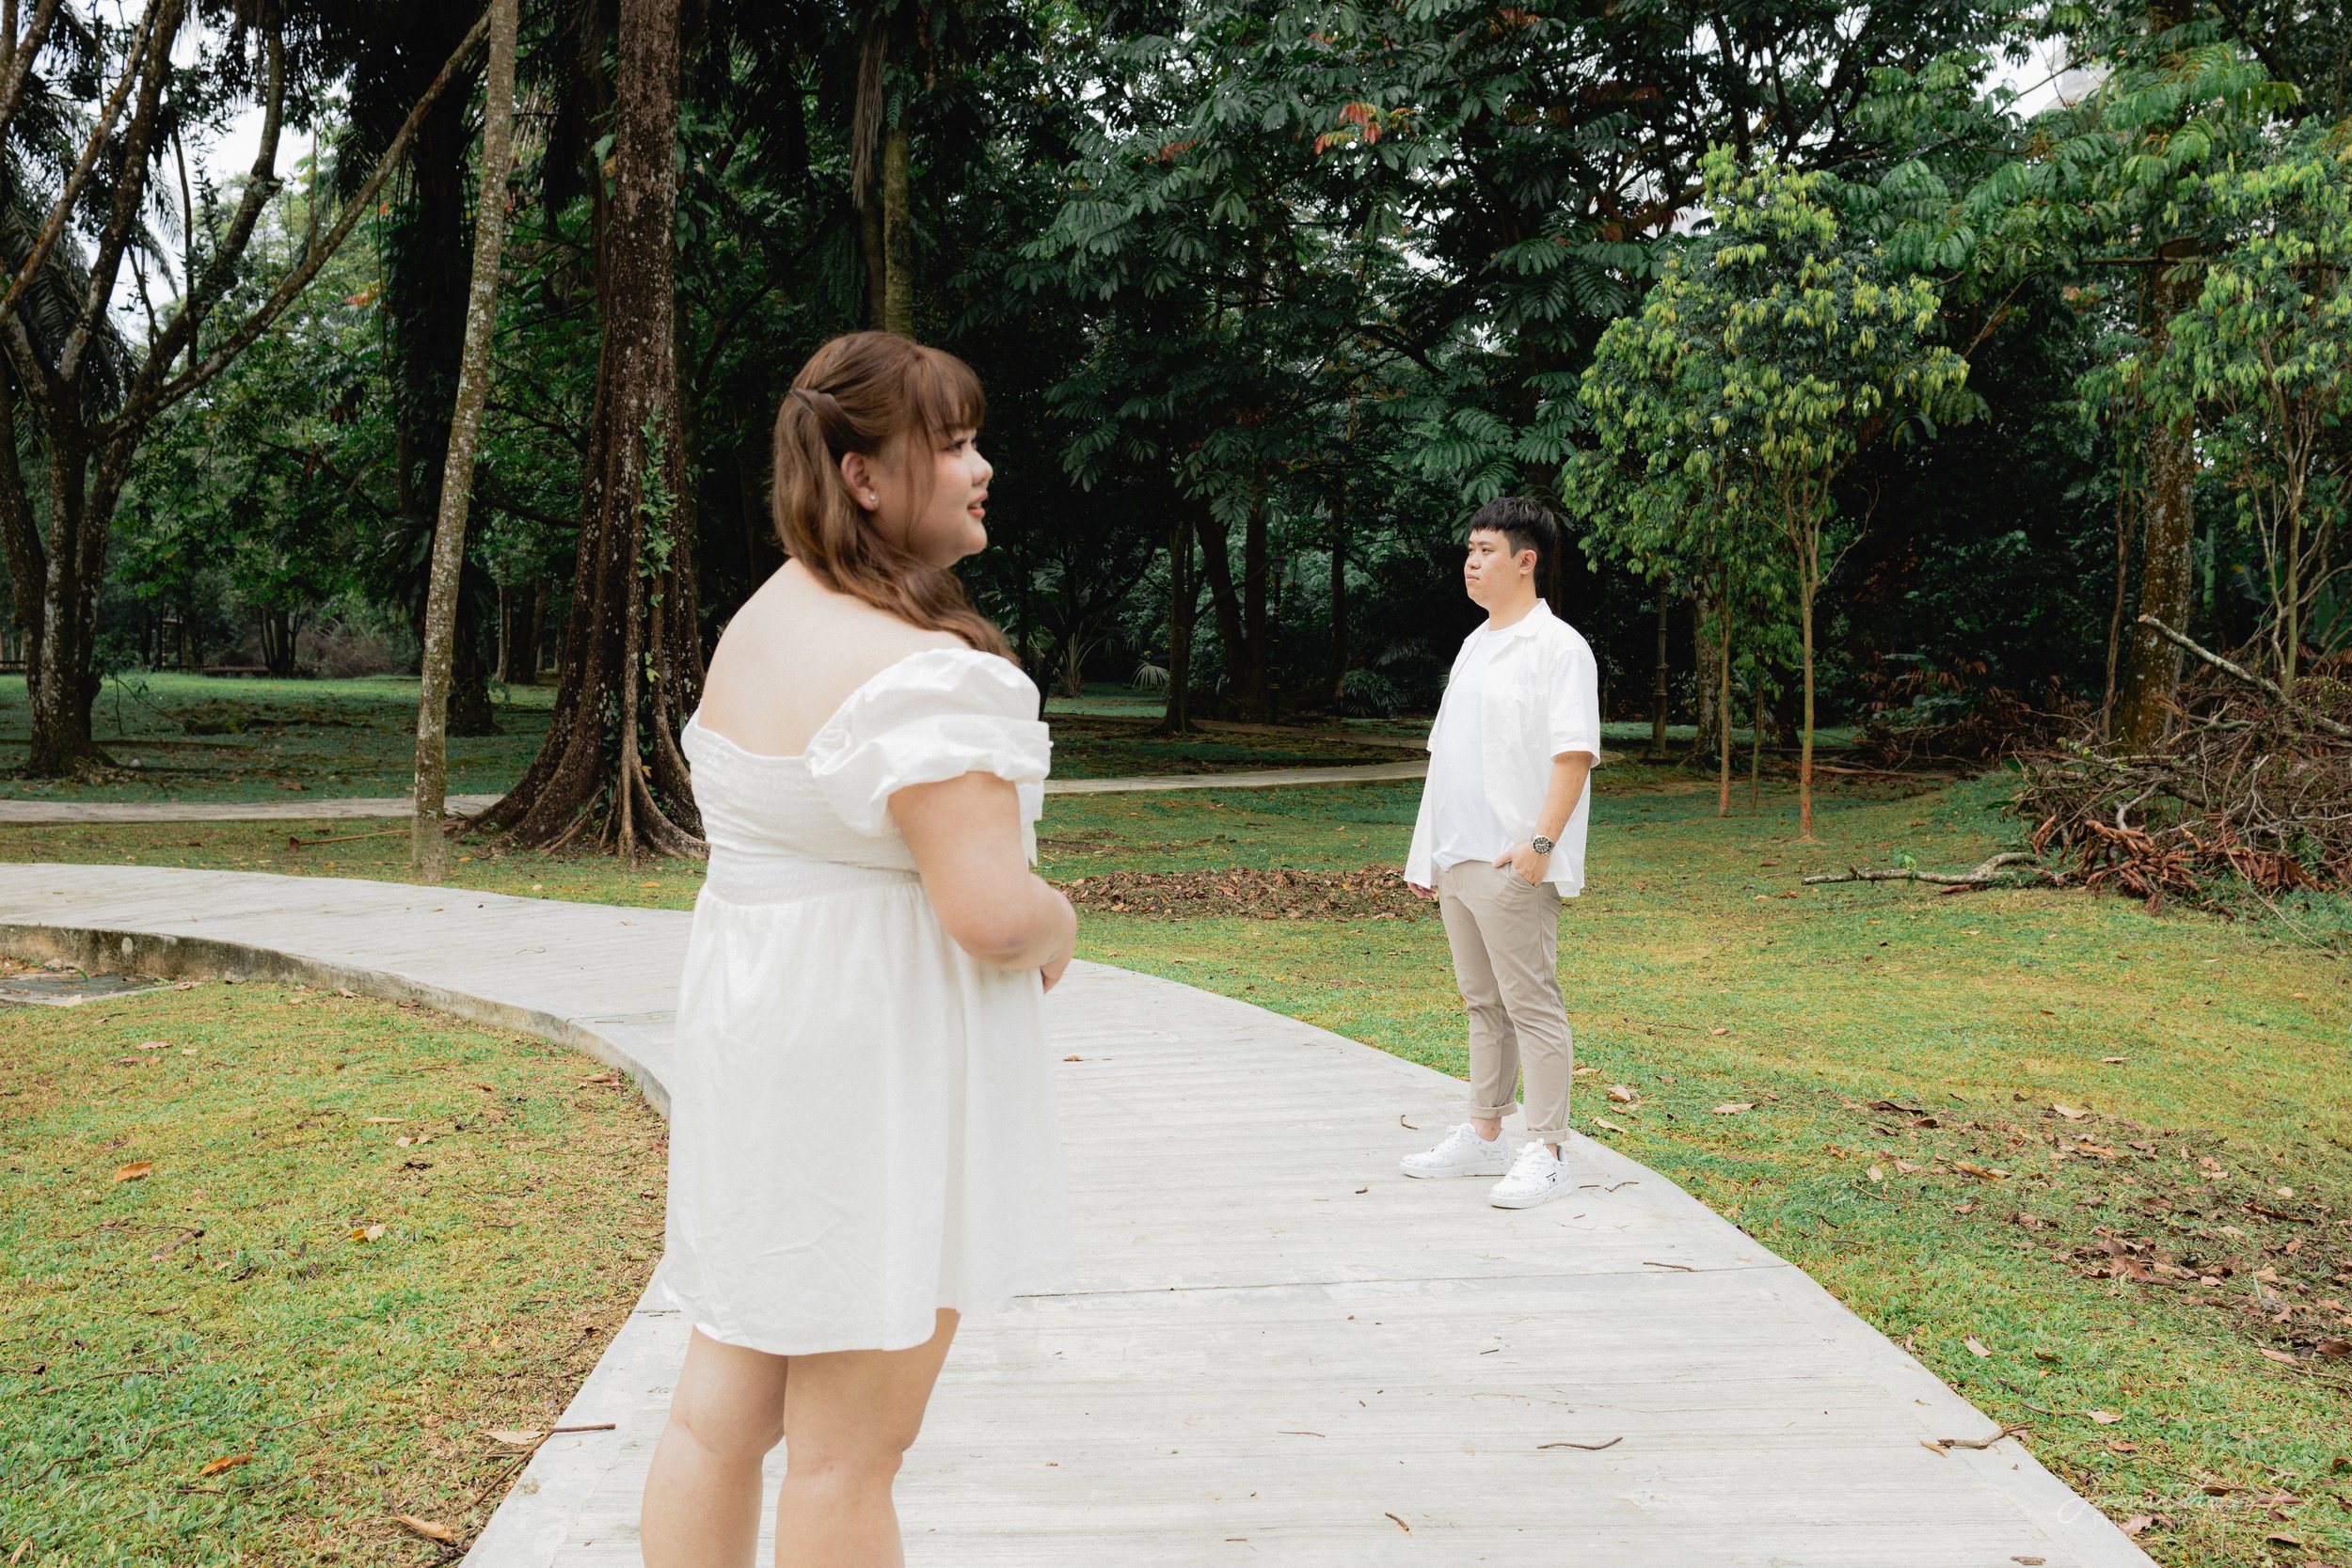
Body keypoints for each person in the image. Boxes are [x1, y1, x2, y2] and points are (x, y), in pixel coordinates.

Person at [640, 331, 1077, 1568]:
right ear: (864, 475)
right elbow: (993, 912)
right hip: (870, 1076)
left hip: (762, 1044)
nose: (982, 468)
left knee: (719, 1414)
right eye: (953, 444)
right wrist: (1061, 917)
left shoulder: (765, 619)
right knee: (848, 1452)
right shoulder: (922, 672)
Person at [1398, 497, 1600, 1210]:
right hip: (1457, 857)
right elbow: (1445, 755)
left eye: (1485, 550)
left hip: (1513, 861)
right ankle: (1486, 1134)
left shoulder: (1559, 648)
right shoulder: (1474, 644)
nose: (1471, 562)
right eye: (1469, 550)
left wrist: (1540, 845)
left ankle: (1548, 1150)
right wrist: (1425, 854)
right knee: (1483, 1003)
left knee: (1531, 1003)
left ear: (1525, 560)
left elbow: (1574, 755)